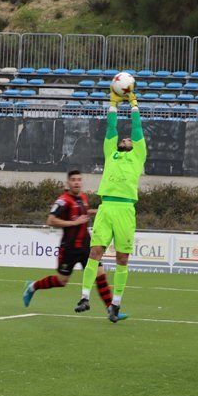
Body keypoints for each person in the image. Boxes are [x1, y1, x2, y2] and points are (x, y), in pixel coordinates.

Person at [76, 90, 146, 323]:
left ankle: (115, 305)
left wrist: (133, 103)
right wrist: (114, 104)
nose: (125, 138)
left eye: (128, 139)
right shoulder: (111, 154)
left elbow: (137, 129)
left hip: (126, 209)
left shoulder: (138, 156)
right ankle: (84, 297)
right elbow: (111, 128)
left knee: (122, 259)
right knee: (95, 252)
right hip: (106, 207)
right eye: (123, 139)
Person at [22, 170, 126, 320]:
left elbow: (82, 212)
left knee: (100, 274)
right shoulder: (63, 200)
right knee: (62, 281)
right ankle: (32, 286)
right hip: (69, 248)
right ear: (68, 183)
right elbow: (50, 220)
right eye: (73, 180)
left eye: (79, 180)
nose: (77, 182)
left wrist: (96, 211)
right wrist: (74, 223)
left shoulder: (83, 197)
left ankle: (111, 310)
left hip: (86, 246)